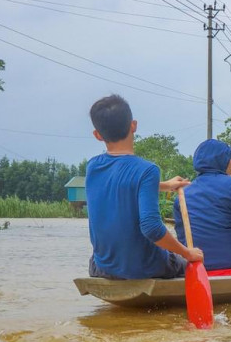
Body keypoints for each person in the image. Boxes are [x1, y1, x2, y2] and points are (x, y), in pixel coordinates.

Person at [86, 94, 203, 279]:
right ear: (134, 125)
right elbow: (151, 228)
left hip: (101, 269)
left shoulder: (93, 167)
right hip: (146, 268)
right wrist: (187, 253)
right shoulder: (147, 170)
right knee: (189, 261)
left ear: (97, 135)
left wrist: (166, 185)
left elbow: (125, 185)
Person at [172, 139, 231, 273]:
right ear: (223, 161)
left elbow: (181, 233)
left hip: (196, 262)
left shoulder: (182, 194)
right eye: (229, 160)